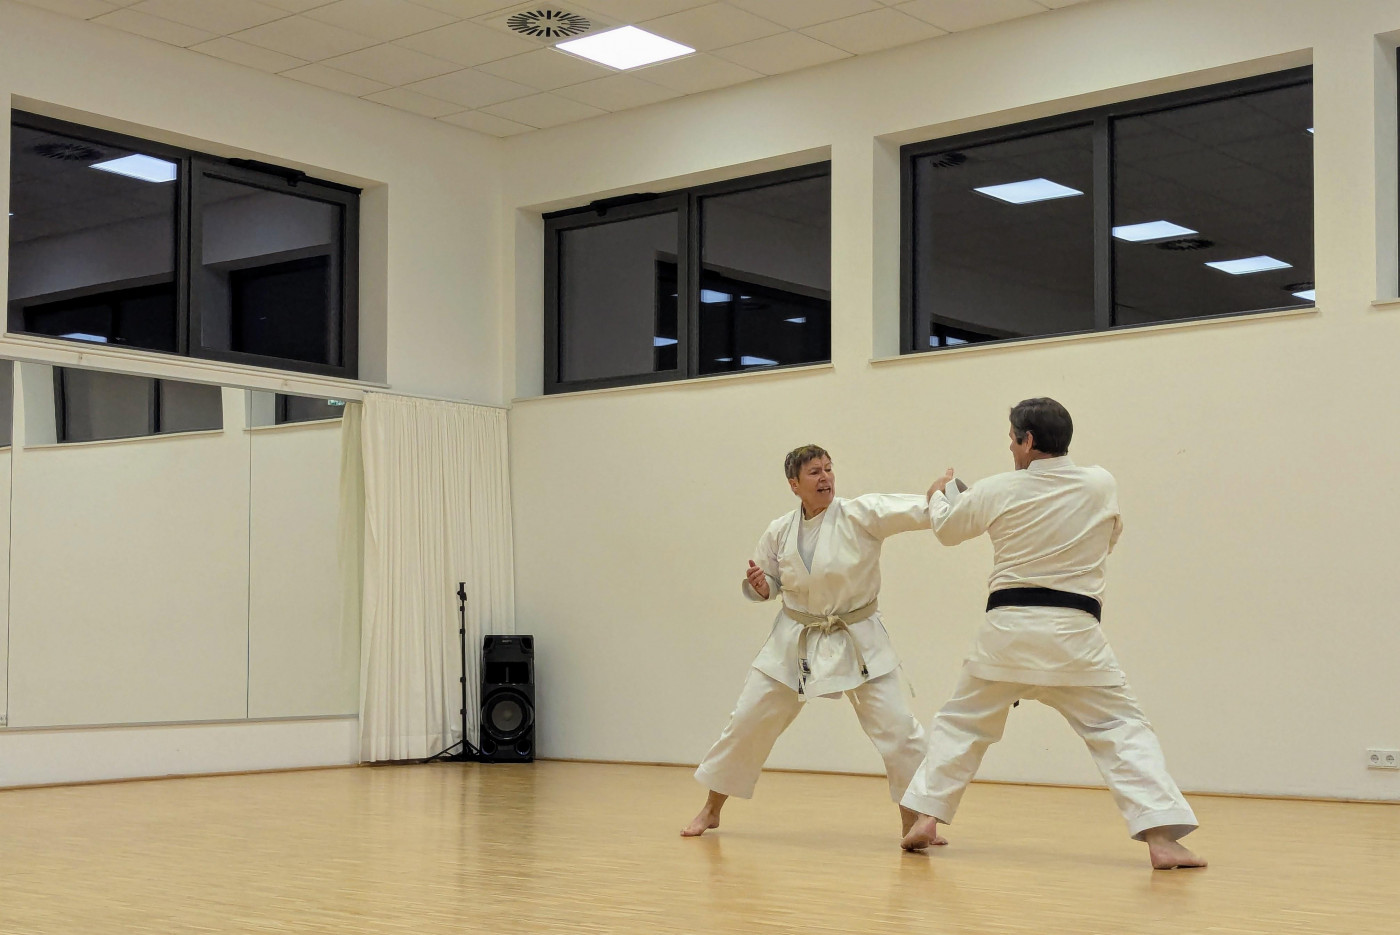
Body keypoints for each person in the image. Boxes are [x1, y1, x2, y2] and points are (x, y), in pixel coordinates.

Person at [899, 398, 1206, 870]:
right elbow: (1107, 538)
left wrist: (939, 494)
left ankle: (927, 816)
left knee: (961, 724)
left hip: (1005, 635)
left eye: (1012, 439)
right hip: (1075, 637)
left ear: (1027, 440)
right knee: (1120, 728)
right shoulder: (1101, 483)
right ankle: (1161, 839)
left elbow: (947, 529)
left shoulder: (996, 488)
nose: (1010, 448)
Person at [682, 445, 931, 839]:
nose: (825, 477)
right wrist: (762, 586)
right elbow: (767, 581)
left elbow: (909, 509)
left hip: (857, 636)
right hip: (795, 638)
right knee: (747, 721)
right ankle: (711, 810)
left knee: (899, 728)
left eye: (828, 469)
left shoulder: (859, 514)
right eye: (814, 472)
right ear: (794, 484)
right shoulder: (780, 530)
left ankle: (914, 820)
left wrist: (942, 496)